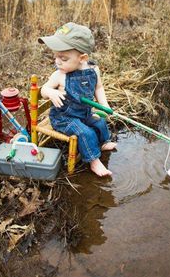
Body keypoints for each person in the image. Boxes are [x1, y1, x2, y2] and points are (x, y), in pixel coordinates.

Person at [39, 22, 117, 177]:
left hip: (84, 113)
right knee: (85, 132)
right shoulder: (60, 75)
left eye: (63, 58)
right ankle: (94, 161)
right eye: (55, 56)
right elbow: (43, 90)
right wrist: (51, 93)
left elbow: (98, 88)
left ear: (82, 58)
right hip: (63, 118)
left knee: (100, 122)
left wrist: (104, 105)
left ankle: (104, 142)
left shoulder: (93, 71)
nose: (57, 62)